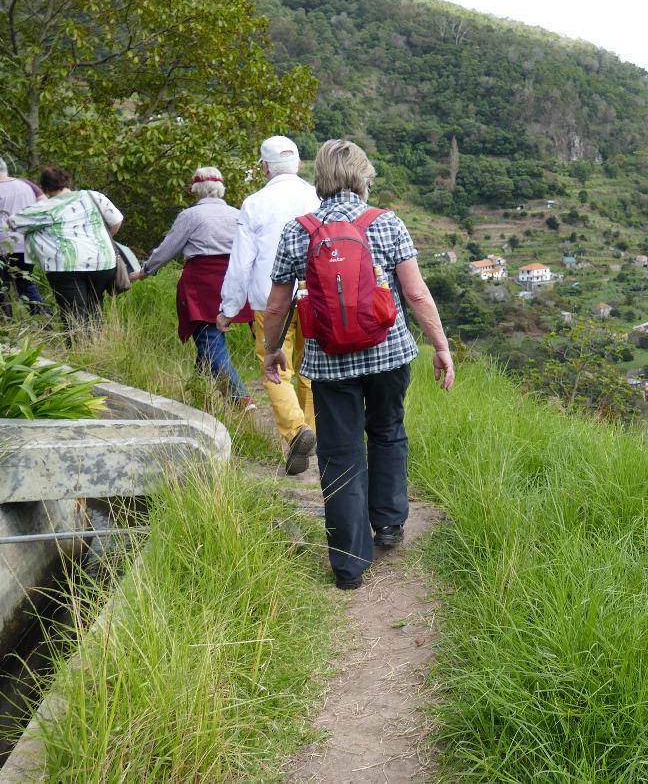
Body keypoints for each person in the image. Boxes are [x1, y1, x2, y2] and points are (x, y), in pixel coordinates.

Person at [263, 139, 453, 590]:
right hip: (389, 354)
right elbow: (416, 294)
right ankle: (388, 524)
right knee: (388, 430)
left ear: (320, 181)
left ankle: (349, 564)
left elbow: (276, 305)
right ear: (364, 178)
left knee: (340, 453)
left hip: (330, 362)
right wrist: (440, 346)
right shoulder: (386, 224)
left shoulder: (299, 230)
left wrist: (273, 349)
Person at [218, 136, 320, 475]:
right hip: (315, 295)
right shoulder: (316, 196)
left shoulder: (254, 203)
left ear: (264, 167)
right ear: (298, 164)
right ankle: (314, 434)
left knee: (275, 368)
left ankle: (296, 432)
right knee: (312, 367)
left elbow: (241, 262)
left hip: (269, 299)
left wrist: (228, 308)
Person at [131, 167, 255, 407]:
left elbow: (168, 248)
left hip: (202, 283)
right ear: (220, 188)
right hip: (235, 280)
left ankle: (241, 400)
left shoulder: (190, 216)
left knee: (209, 337)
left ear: (195, 190)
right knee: (206, 341)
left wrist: (145, 271)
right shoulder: (238, 214)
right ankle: (196, 395)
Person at [9, 166, 123, 328]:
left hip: (66, 267)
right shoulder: (93, 196)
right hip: (103, 262)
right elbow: (117, 221)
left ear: (45, 188)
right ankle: (98, 346)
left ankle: (80, 350)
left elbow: (13, 222)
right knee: (94, 306)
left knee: (74, 315)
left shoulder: (45, 208)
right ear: (68, 182)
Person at [0, 156, 49, 317]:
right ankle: (43, 320)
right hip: (25, 242)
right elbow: (45, 205)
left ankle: (5, 325)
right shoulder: (27, 184)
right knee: (26, 283)